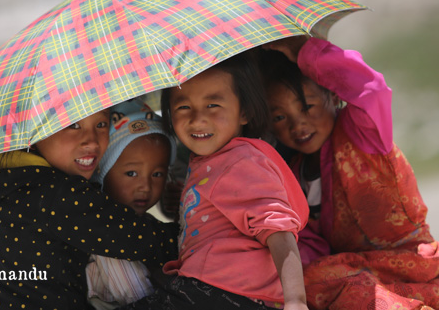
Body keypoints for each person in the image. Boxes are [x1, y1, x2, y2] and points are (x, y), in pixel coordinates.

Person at [261, 36, 439, 310]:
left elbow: (372, 89)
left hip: (413, 267)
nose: (298, 123)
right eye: (279, 117)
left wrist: (306, 52)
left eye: (308, 106)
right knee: (301, 281)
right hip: (354, 273)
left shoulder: (362, 134)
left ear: (332, 96)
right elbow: (309, 245)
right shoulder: (294, 174)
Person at [122, 53, 310, 310]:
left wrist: (296, 301)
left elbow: (278, 231)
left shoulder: (239, 161)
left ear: (244, 112)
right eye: (183, 107)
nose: (197, 119)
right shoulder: (215, 160)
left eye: (213, 105)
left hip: (221, 292)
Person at [0, 109, 179, 310]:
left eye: (101, 124)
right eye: (73, 125)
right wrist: (197, 235)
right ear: (32, 132)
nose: (92, 140)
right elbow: (135, 237)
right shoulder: (54, 193)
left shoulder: (6, 183)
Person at [85, 99, 177, 310]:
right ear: (102, 173)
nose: (145, 186)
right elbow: (136, 294)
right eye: (131, 173)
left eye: (157, 174)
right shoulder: (106, 235)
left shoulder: (144, 223)